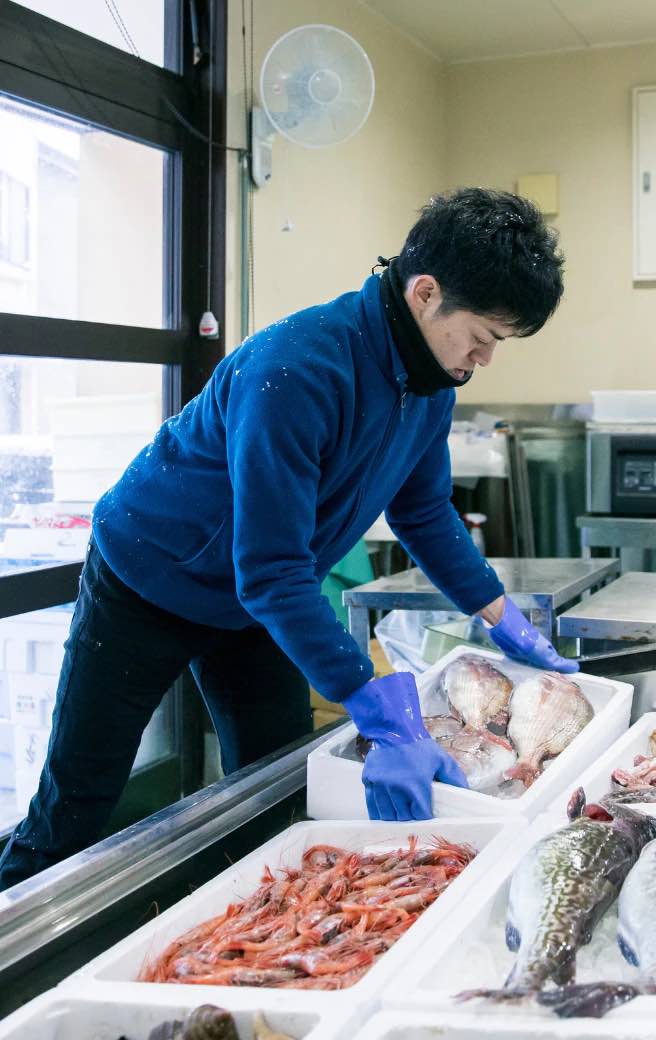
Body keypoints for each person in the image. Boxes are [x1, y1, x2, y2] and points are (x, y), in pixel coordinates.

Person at [0, 187, 569, 891]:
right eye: (483, 336)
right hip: (150, 579)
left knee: (272, 791)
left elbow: (423, 513)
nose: (484, 357)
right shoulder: (298, 367)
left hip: (254, 604)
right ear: (426, 293)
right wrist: (380, 709)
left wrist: (496, 612)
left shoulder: (432, 383)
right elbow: (271, 569)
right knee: (77, 806)